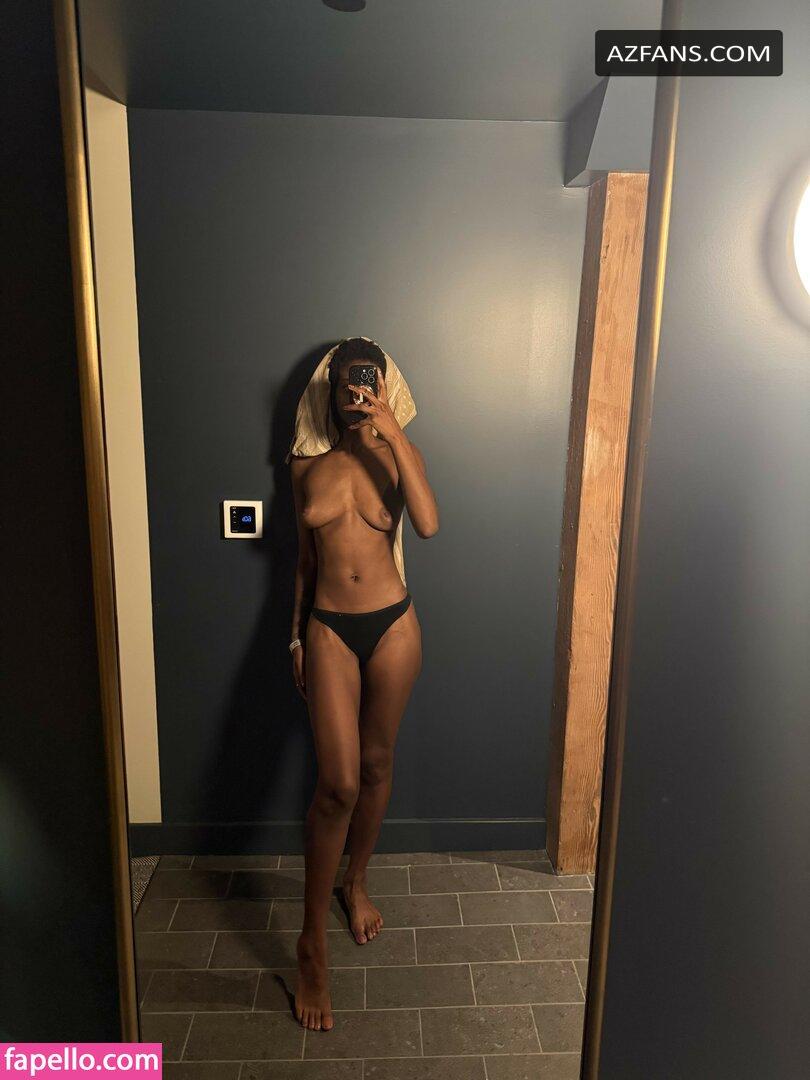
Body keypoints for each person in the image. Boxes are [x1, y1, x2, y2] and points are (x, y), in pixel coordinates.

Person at [288, 337, 439, 1031]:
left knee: (377, 765)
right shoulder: (307, 466)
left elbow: (428, 525)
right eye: (348, 384)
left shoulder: (398, 455)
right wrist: (294, 636)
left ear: (381, 386)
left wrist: (392, 428)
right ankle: (311, 945)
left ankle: (356, 882)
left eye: (368, 383)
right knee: (337, 785)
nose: (357, 395)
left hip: (393, 627)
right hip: (328, 629)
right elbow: (302, 562)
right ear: (331, 390)